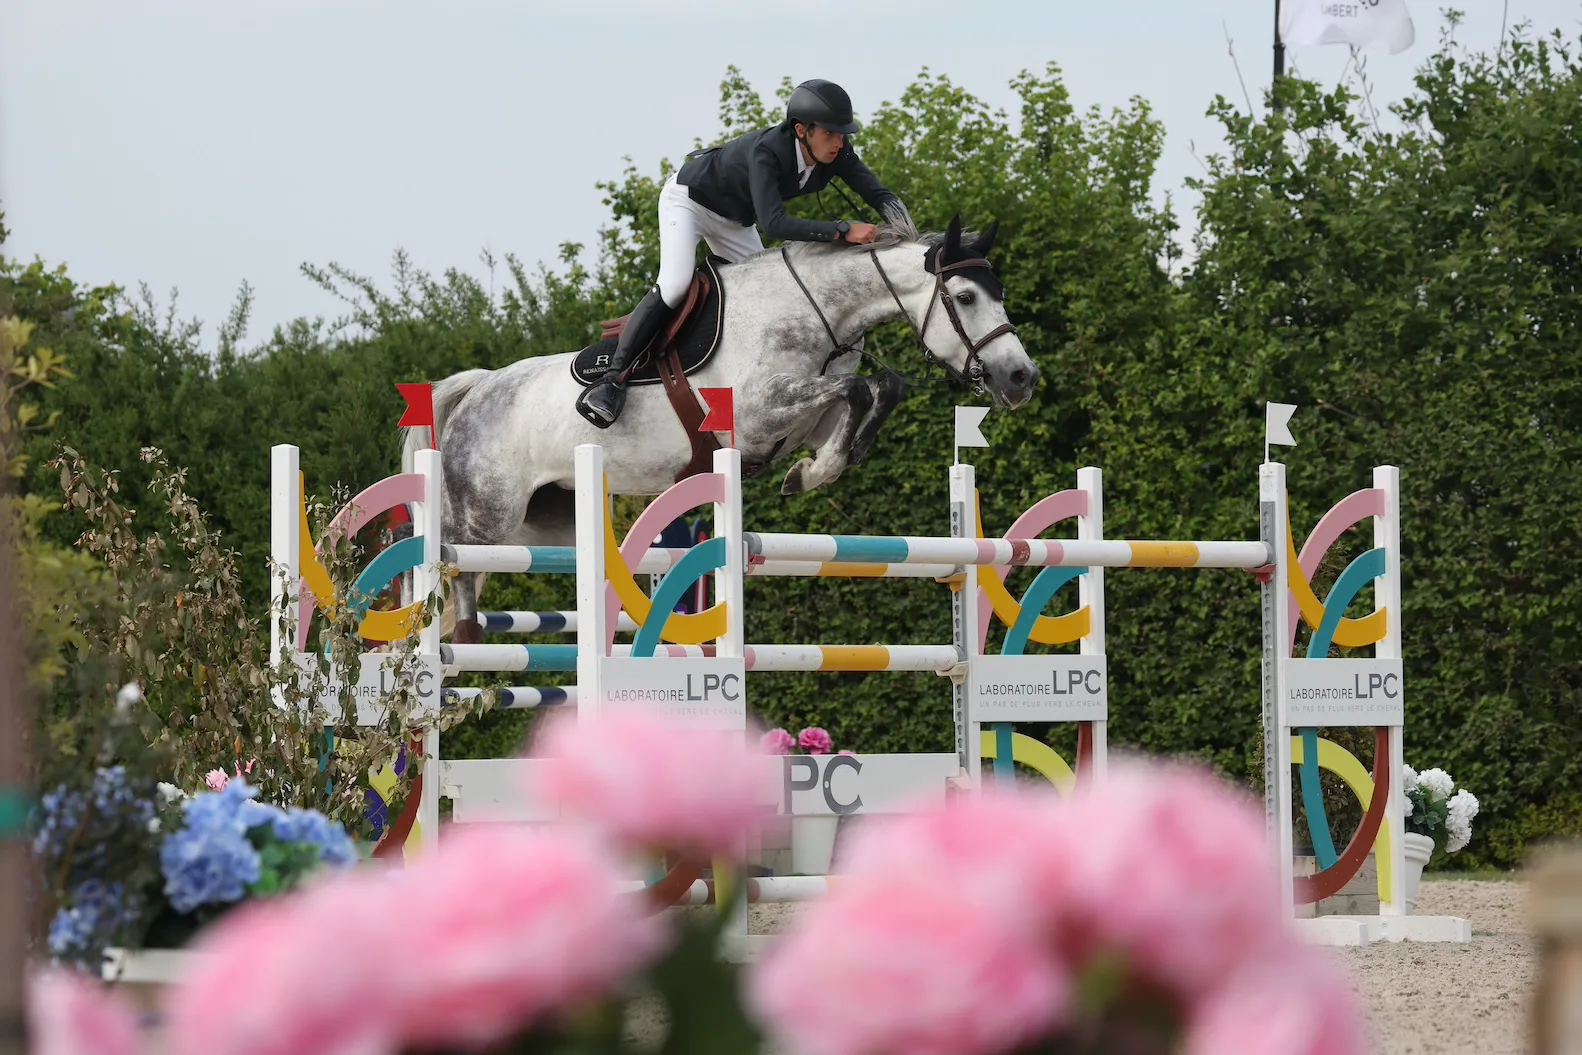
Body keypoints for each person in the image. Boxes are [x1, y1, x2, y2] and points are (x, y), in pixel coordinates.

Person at [575, 78, 912, 428]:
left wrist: (906, 228)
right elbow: (776, 225)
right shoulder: (767, 152)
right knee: (675, 284)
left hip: (734, 220)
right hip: (689, 202)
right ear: (801, 130)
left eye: (843, 134)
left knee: (776, 293)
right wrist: (842, 230)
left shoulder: (837, 153)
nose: (840, 142)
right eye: (831, 133)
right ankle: (610, 382)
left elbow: (878, 193)